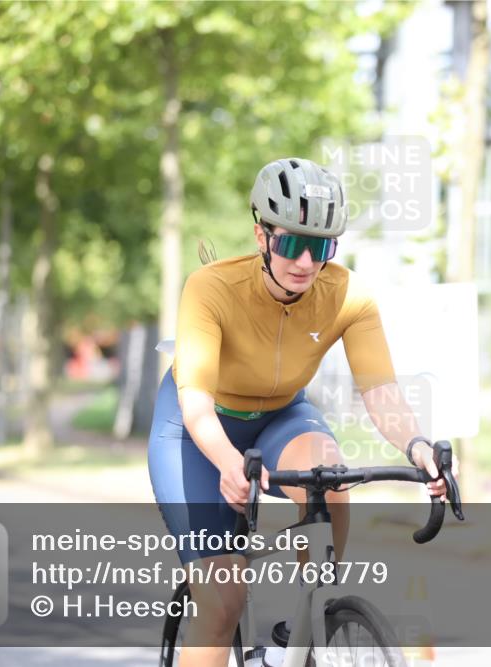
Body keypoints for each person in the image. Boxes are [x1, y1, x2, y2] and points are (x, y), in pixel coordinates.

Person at [148, 157, 456, 667]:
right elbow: (196, 400)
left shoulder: (349, 296)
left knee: (329, 477)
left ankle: (308, 620)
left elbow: (380, 390)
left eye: (322, 247)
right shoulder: (211, 288)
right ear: (262, 236)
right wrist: (227, 462)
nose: (307, 263)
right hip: (195, 430)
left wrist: (418, 446)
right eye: (292, 244)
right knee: (222, 602)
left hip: (280, 415)